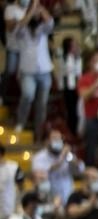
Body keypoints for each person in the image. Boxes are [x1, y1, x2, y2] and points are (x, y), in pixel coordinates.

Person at [13, 0, 52, 136]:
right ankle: (20, 123)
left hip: (44, 71)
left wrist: (40, 8)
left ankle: (39, 130)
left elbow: (50, 22)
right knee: (28, 95)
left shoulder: (43, 28)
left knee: (42, 104)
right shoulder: (22, 29)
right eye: (33, 11)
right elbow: (18, 28)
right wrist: (31, 10)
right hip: (27, 71)